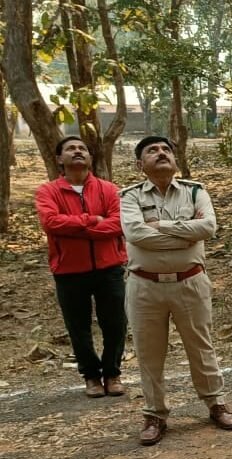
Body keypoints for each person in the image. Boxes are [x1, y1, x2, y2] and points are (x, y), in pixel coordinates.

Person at [120, 135, 232, 446]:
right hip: (144, 285)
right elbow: (134, 233)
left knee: (201, 345)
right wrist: (186, 231)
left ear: (175, 159)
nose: (161, 154)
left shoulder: (195, 191)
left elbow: (208, 228)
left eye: (166, 150)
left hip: (190, 281)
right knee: (149, 351)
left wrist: (159, 226)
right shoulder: (129, 196)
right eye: (152, 151)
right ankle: (155, 414)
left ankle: (215, 403)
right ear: (139, 164)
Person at [35, 135, 127, 399]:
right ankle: (91, 376)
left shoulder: (108, 189)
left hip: (109, 268)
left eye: (82, 148)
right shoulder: (48, 191)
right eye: (70, 149)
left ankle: (112, 373)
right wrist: (93, 221)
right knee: (78, 326)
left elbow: (118, 224)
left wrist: (77, 226)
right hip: (69, 271)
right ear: (59, 159)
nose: (77, 151)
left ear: (90, 156)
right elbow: (51, 223)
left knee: (116, 323)